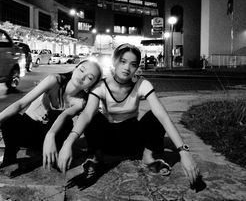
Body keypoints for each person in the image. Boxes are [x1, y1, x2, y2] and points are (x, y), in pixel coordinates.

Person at [57, 43, 200, 186]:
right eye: (123, 61)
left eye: (133, 64)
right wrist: (67, 143)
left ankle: (148, 157)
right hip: (107, 142)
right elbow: (87, 114)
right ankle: (97, 158)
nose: (127, 68)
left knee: (155, 115)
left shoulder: (142, 84)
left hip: (134, 141)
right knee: (93, 115)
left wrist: (184, 152)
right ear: (114, 61)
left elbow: (162, 116)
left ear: (137, 67)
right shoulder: (101, 85)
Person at [0, 59, 102, 171]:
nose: (82, 77)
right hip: (29, 128)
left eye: (90, 78)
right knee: (10, 119)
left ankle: (48, 155)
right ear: (75, 68)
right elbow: (21, 104)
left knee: (64, 122)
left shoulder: (80, 102)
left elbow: (63, 116)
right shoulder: (54, 80)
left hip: (51, 135)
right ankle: (8, 157)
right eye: (81, 70)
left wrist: (52, 137)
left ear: (91, 85)